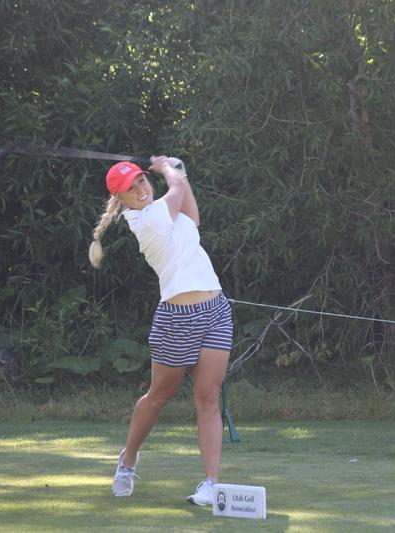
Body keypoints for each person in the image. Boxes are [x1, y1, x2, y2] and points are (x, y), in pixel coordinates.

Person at [89, 155, 233, 506]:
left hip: (216, 310)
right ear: (120, 199)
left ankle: (210, 484)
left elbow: (192, 217)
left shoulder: (166, 211)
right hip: (177, 319)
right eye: (131, 188)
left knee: (208, 396)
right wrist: (167, 168)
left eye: (142, 180)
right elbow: (178, 188)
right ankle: (127, 460)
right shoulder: (146, 218)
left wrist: (178, 170)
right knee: (159, 395)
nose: (140, 189)